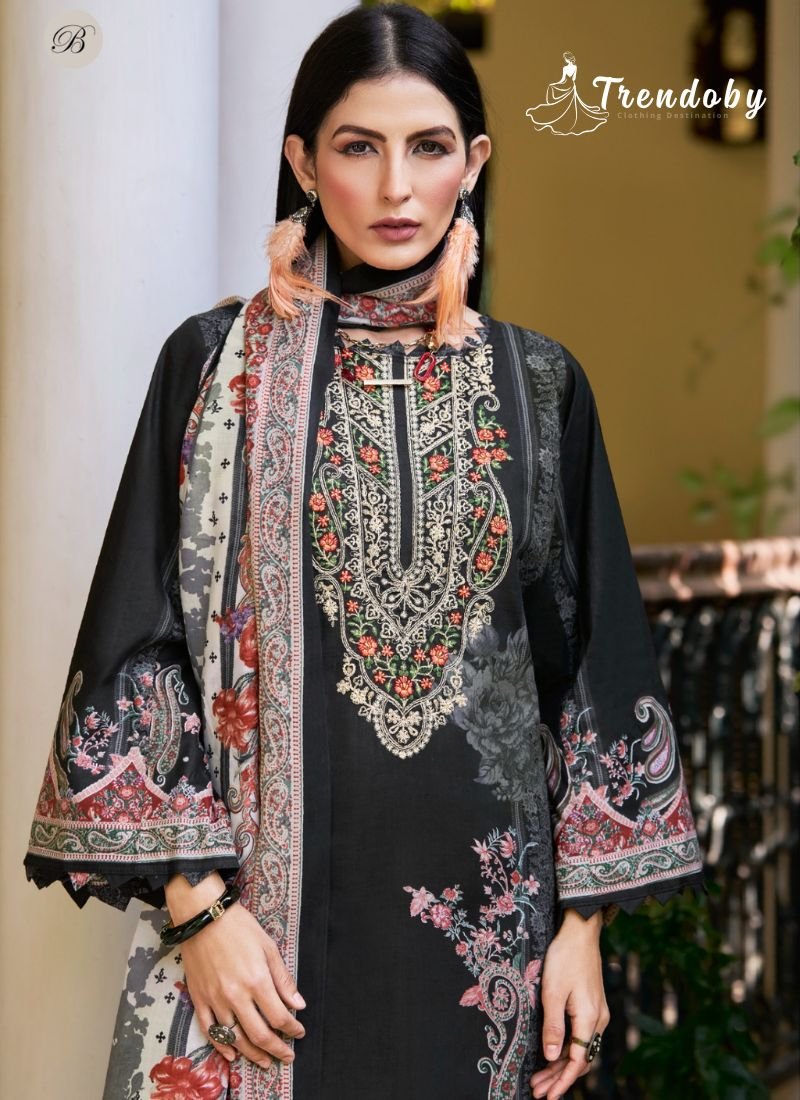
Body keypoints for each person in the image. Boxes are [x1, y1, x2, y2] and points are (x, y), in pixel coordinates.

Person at [24, 5, 706, 1099]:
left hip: (487, 959)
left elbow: (592, 664)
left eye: (428, 147)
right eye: (358, 146)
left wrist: (580, 931)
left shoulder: (539, 385)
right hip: (255, 952)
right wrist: (199, 912)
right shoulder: (211, 370)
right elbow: (136, 644)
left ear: (473, 162)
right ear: (303, 162)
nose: (397, 187)